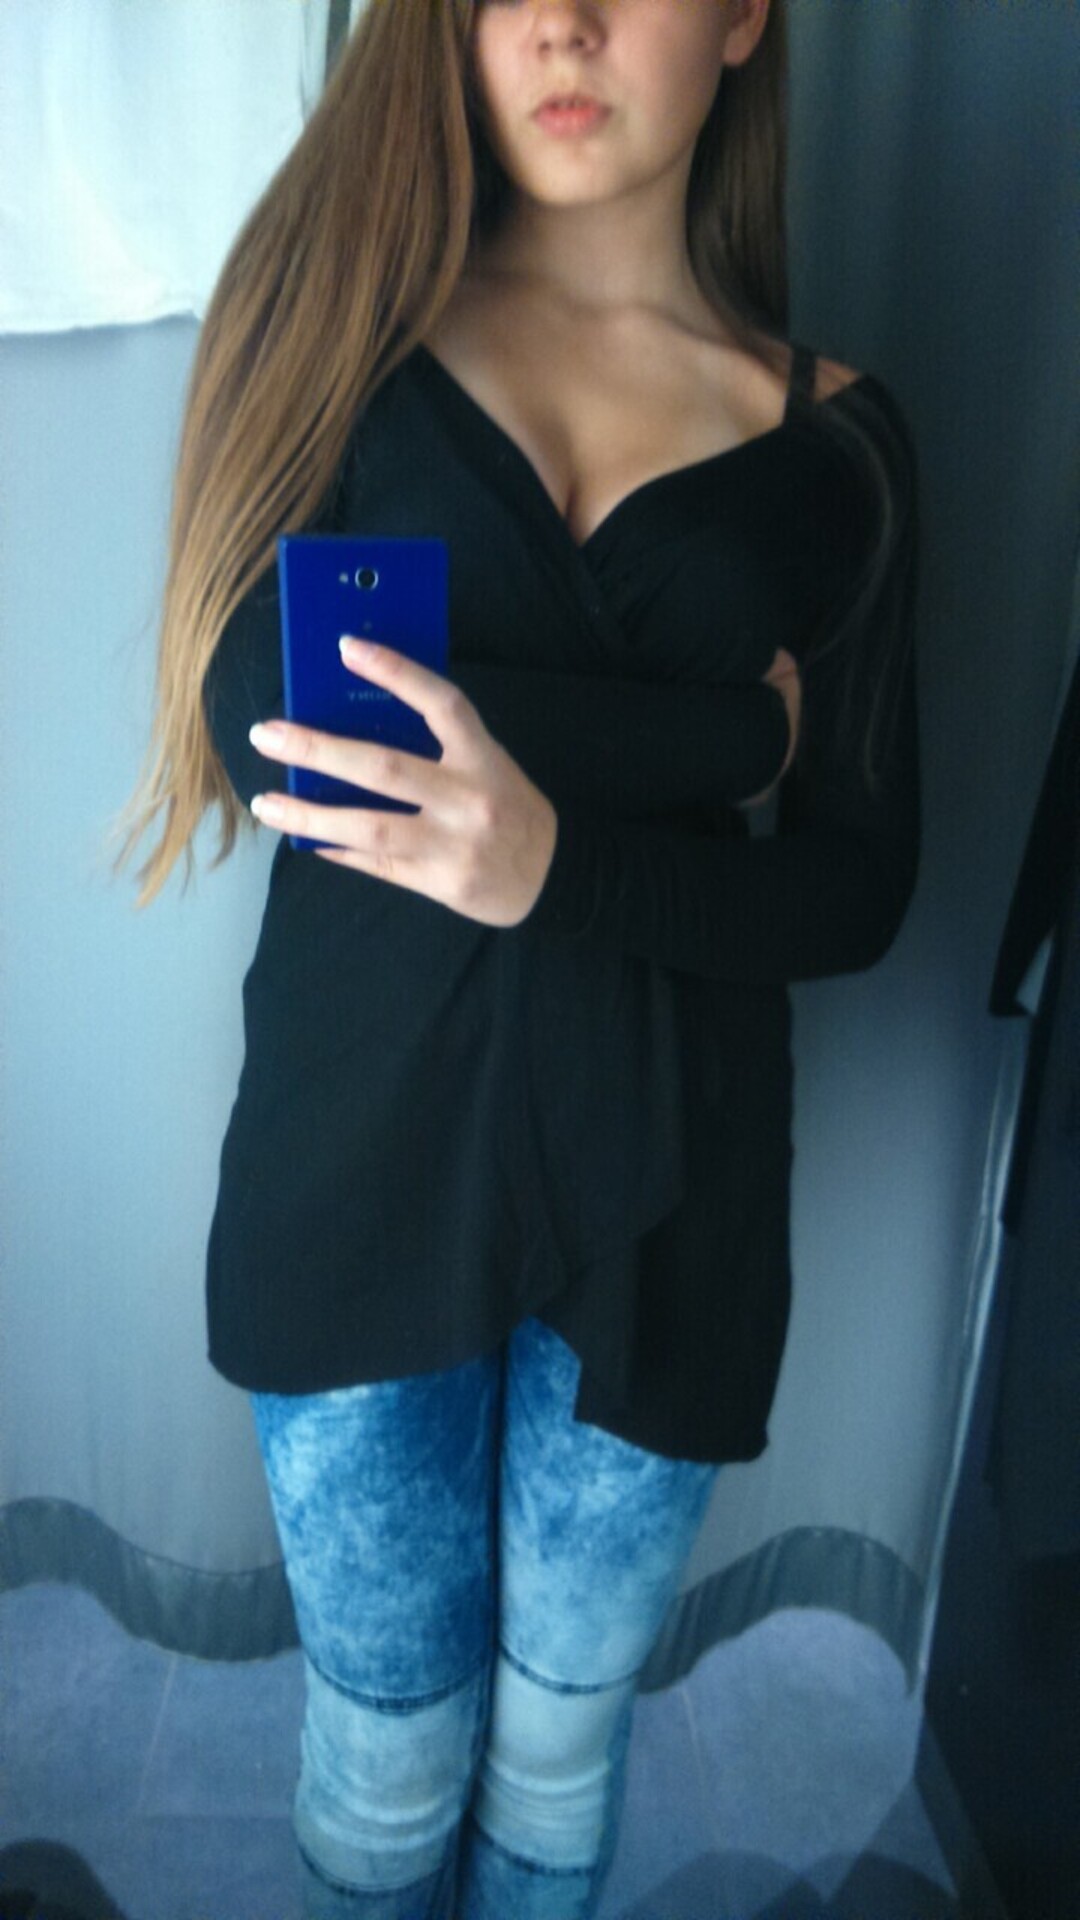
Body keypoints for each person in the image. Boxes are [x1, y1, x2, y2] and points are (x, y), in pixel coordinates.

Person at [111, 0, 921, 1913]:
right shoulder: (341, 333)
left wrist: (558, 856)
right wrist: (723, 738)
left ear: (745, 19)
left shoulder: (839, 443)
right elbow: (271, 724)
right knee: (383, 1769)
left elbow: (857, 891)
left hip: (673, 1203)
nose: (560, 21)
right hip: (356, 1167)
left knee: (558, 1759)